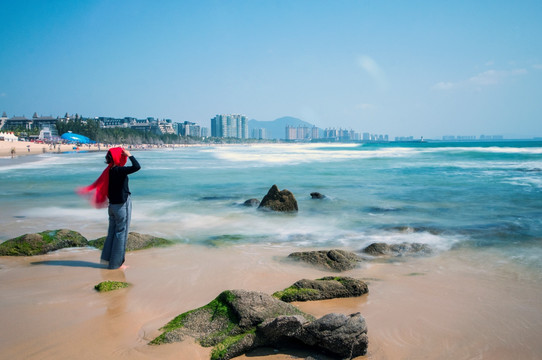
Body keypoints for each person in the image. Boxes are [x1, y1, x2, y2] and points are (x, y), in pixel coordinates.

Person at [78, 147, 141, 269]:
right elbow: (136, 167)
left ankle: (108, 259)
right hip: (122, 206)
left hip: (112, 206)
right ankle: (116, 264)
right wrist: (130, 155)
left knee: (112, 233)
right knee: (121, 234)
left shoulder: (109, 171)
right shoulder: (119, 170)